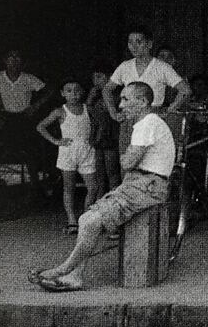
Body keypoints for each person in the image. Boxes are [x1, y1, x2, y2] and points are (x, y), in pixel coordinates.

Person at [32, 81, 175, 292]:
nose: (121, 105)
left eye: (126, 99)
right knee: (86, 220)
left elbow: (126, 163)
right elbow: (128, 161)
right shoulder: (148, 123)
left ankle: (63, 270)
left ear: (143, 101)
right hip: (142, 183)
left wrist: (127, 156)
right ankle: (74, 275)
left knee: (89, 221)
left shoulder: (147, 124)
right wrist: (128, 156)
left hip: (147, 186)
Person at [105, 27, 190, 151]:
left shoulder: (162, 67)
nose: (134, 46)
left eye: (138, 42)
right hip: (128, 120)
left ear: (149, 44)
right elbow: (107, 89)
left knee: (150, 159)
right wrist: (113, 113)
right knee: (127, 158)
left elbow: (185, 90)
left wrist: (169, 110)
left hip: (151, 119)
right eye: (130, 42)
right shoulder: (125, 66)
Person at [36, 80, 100, 233]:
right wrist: (56, 141)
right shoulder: (60, 111)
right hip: (68, 151)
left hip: (86, 150)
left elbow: (99, 124)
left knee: (93, 187)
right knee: (69, 187)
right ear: (63, 93)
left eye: (77, 90)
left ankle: (85, 218)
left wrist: (95, 138)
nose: (74, 94)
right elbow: (40, 126)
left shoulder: (88, 109)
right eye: (69, 91)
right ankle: (72, 220)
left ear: (82, 92)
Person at [0, 50, 47, 180]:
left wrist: (35, 106)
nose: (14, 61)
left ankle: (35, 182)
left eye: (17, 57)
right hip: (6, 117)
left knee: (30, 150)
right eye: (11, 57)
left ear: (22, 62)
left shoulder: (28, 78)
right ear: (5, 60)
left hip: (24, 117)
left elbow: (48, 91)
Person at [87, 68, 121, 191]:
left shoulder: (115, 96)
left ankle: (114, 197)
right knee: (99, 172)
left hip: (111, 137)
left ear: (110, 76)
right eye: (93, 78)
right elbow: (89, 114)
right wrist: (90, 99)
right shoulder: (95, 96)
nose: (95, 81)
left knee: (112, 172)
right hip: (98, 138)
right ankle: (100, 197)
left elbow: (104, 114)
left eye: (99, 77)